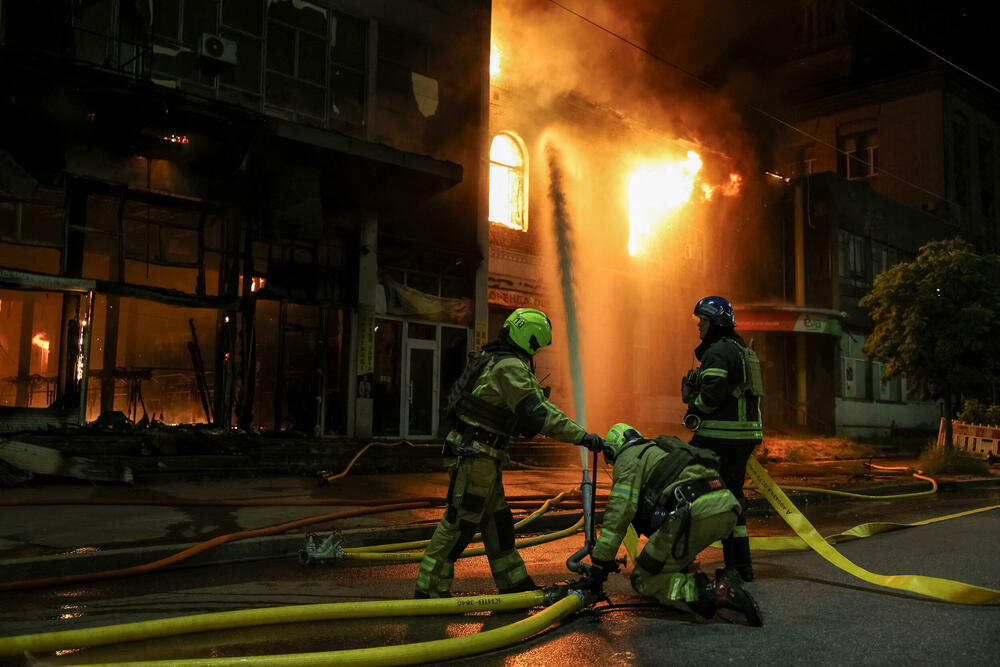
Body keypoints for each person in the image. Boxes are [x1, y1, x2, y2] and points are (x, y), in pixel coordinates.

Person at [414, 307, 604, 598]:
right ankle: (429, 589)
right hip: (475, 456)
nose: (536, 353)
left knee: (498, 522)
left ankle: (513, 584)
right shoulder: (509, 367)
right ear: (529, 340)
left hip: (483, 456)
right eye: (537, 346)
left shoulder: (493, 358)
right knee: (461, 522)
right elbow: (538, 413)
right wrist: (582, 436)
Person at [583, 423, 762, 625]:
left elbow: (619, 514)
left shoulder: (627, 458)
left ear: (612, 450)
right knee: (665, 558)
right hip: (726, 506)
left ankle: (715, 591)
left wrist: (599, 563)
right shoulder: (657, 448)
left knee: (644, 579)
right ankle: (713, 584)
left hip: (693, 513)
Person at [681, 295, 763, 582]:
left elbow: (713, 391)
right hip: (743, 436)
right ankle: (740, 568)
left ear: (715, 323)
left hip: (719, 436)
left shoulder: (717, 352)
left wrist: (695, 407)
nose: (699, 326)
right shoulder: (739, 349)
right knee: (733, 498)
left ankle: (679, 561)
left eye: (702, 321)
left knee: (684, 486)